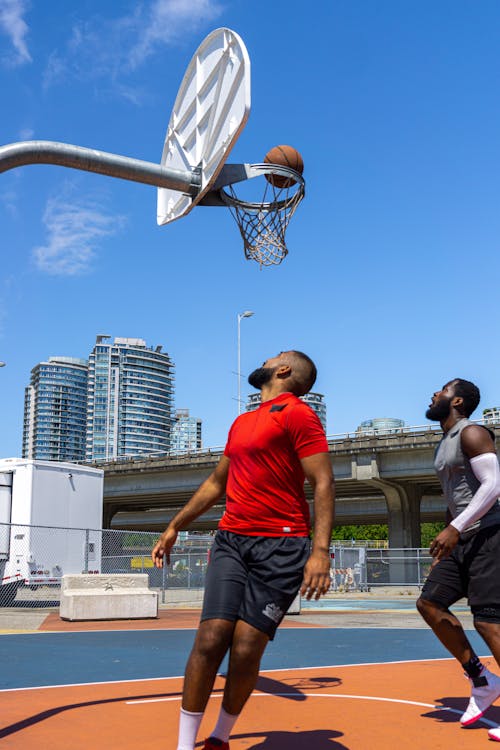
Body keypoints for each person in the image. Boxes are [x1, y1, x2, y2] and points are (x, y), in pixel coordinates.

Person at [152, 350, 335, 750]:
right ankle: (184, 745)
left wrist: (320, 552)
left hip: (283, 545)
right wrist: (174, 526)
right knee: (210, 638)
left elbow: (323, 481)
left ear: (283, 370)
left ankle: (220, 737)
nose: (266, 358)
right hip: (232, 540)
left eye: (275, 356)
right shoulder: (242, 422)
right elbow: (218, 482)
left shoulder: (298, 413)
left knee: (247, 648)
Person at [416, 379, 500, 742]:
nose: (434, 394)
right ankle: (481, 677)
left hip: (489, 536)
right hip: (462, 538)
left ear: (458, 400)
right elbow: (457, 497)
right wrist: (449, 538)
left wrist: (456, 527)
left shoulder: (473, 433)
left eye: (442, 391)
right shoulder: (444, 443)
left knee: (489, 623)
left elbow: (493, 486)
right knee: (429, 603)